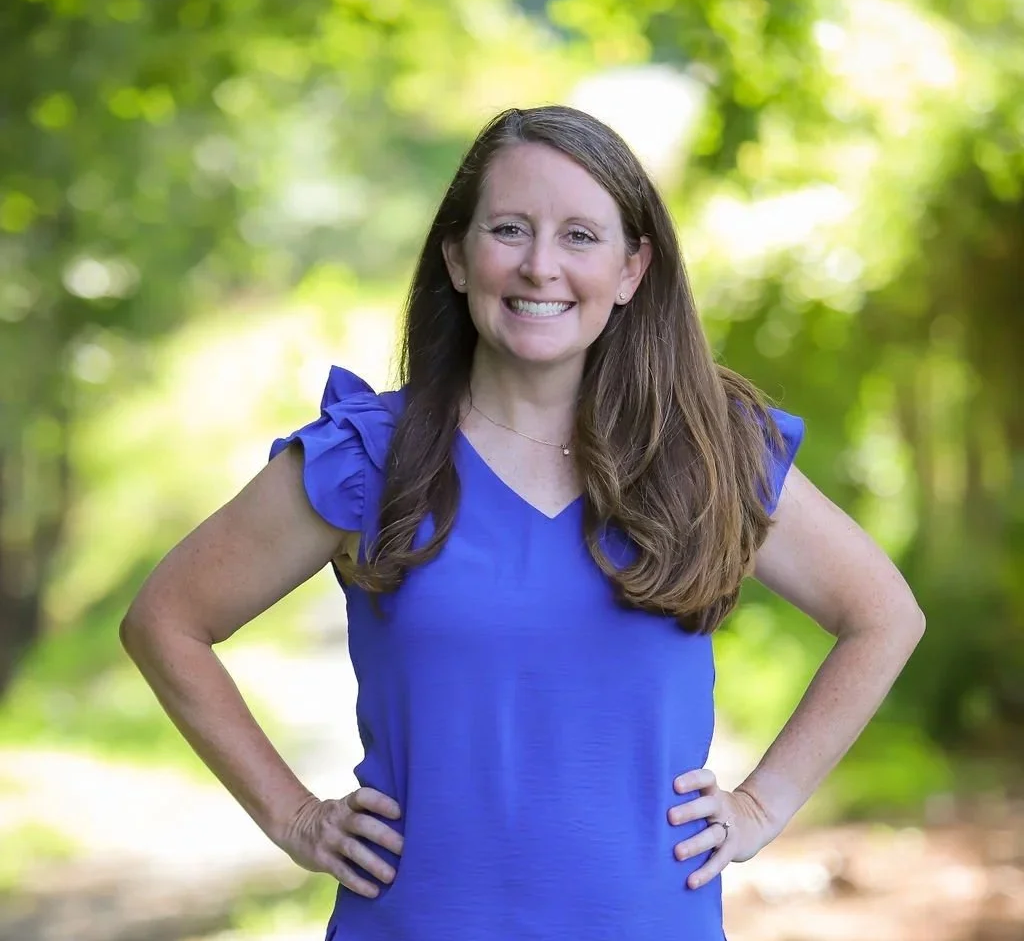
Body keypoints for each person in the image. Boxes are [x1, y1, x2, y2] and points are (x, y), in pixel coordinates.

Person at [120, 105, 926, 940]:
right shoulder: (369, 459)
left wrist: (763, 803)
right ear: (458, 258)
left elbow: (883, 616)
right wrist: (291, 817)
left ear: (631, 268)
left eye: (580, 236)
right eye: (510, 229)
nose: (541, 266)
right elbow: (166, 620)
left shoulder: (705, 455)